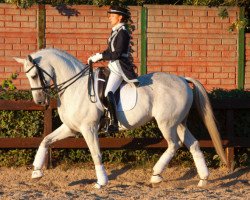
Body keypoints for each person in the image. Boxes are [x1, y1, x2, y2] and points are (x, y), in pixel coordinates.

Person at [87, 5, 138, 133]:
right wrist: (97, 56)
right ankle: (103, 118)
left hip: (120, 68)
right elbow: (110, 51)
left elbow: (117, 54)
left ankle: (114, 123)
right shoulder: (115, 31)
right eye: (110, 15)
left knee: (108, 92)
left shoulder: (123, 33)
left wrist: (101, 56)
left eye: (112, 15)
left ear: (120, 17)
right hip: (113, 66)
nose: (110, 17)